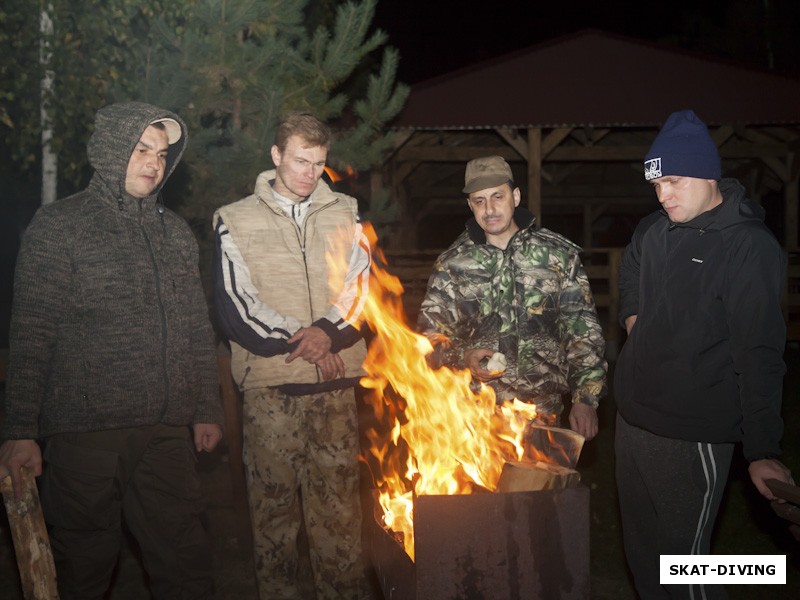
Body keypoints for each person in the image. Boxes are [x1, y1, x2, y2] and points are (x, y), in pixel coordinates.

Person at [0, 101, 224, 599]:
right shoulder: (60, 226)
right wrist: (20, 431)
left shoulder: (174, 233)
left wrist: (206, 407)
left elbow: (194, 326)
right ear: (109, 150)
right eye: (141, 149)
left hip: (166, 431)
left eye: (163, 154)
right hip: (87, 434)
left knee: (187, 565)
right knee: (84, 569)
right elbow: (32, 331)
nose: (154, 162)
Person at [614, 108, 795, 599]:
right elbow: (630, 265)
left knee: (686, 568)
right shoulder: (655, 229)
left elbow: (760, 354)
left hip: (691, 437)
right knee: (644, 561)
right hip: (632, 424)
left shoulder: (748, 247)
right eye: (655, 185)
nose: (663, 196)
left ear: (707, 173)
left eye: (672, 181)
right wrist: (634, 319)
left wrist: (762, 450)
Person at [213, 111, 371, 600]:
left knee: (341, 515)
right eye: (300, 161)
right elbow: (238, 306)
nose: (310, 173)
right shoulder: (234, 219)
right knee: (274, 516)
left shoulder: (347, 211)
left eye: (319, 163)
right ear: (276, 156)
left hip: (335, 386)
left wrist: (328, 331)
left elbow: (361, 286)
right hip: (270, 386)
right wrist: (306, 340)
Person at [417, 155, 607, 441]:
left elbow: (583, 331)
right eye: (479, 201)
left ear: (515, 197)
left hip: (542, 413)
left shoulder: (557, 257)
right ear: (470, 205)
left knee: (542, 486)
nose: (489, 209)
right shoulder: (453, 264)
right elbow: (428, 337)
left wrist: (585, 398)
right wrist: (462, 356)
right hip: (473, 416)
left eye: (497, 196)